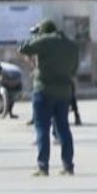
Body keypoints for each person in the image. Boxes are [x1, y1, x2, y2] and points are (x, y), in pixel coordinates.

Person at [20, 20, 79, 176]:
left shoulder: (45, 41)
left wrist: (35, 38)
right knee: (63, 128)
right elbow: (74, 70)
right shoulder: (71, 45)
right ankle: (68, 166)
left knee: (42, 128)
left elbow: (23, 48)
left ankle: (43, 166)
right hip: (64, 92)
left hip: (44, 90)